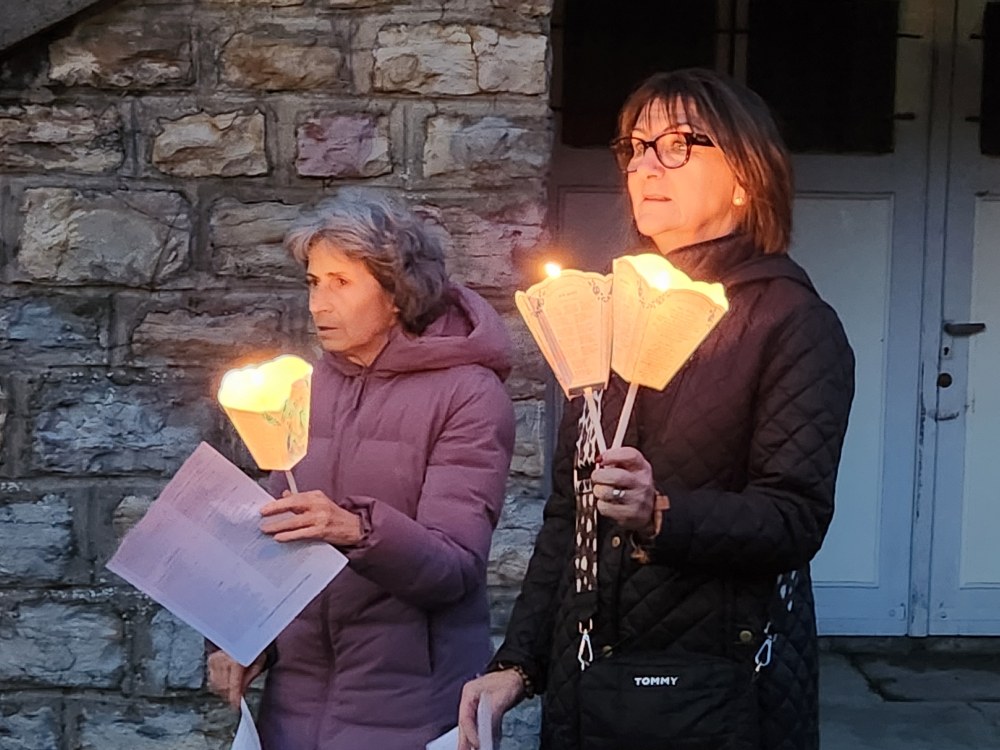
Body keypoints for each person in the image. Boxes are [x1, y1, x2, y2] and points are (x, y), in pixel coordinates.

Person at [458, 68, 855, 750]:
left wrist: (660, 514)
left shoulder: (791, 323)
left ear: (746, 175)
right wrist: (518, 663)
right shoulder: (611, 310)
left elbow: (794, 517)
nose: (645, 165)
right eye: (635, 146)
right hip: (591, 686)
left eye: (677, 144)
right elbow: (571, 515)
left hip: (717, 689)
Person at [206, 190, 516, 750]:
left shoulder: (469, 394)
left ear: (397, 292)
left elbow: (454, 569)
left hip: (409, 711)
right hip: (293, 711)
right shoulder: (302, 387)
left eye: (341, 282)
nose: (318, 304)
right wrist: (240, 640)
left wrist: (355, 529)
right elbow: (276, 546)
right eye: (313, 282)